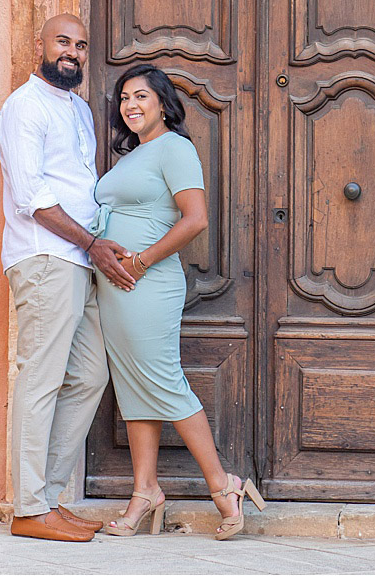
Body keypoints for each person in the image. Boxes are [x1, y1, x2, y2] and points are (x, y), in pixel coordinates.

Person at [92, 63, 265, 540]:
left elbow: (195, 219)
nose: (130, 105)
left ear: (163, 104)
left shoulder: (176, 149)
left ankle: (222, 484)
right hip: (117, 286)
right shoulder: (130, 157)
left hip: (147, 283)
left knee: (164, 381)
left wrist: (141, 262)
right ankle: (145, 491)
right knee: (133, 388)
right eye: (124, 97)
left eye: (141, 96)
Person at [0, 13, 138, 543]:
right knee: (40, 379)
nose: (72, 52)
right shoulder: (23, 107)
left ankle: (50, 498)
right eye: (62, 42)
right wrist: (93, 244)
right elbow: (34, 197)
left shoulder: (77, 108)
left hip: (79, 261)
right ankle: (29, 508)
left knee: (88, 375)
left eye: (80, 44)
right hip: (45, 259)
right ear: (40, 45)